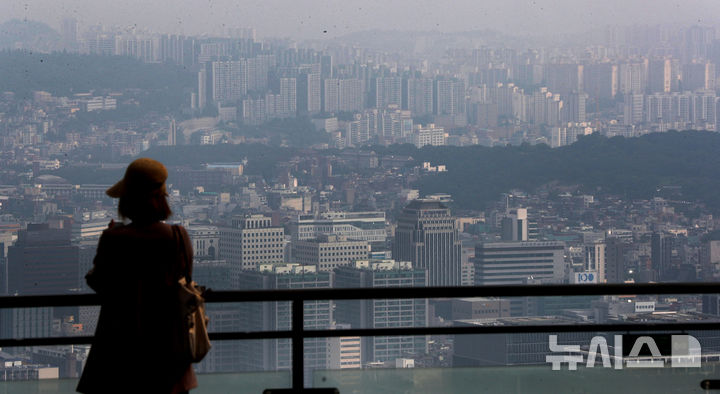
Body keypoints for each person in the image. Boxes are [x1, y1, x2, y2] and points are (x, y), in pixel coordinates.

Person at [77, 158, 198, 394]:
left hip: (120, 351)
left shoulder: (115, 239)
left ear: (128, 200)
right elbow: (185, 282)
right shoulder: (177, 236)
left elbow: (97, 282)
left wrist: (108, 239)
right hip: (168, 350)